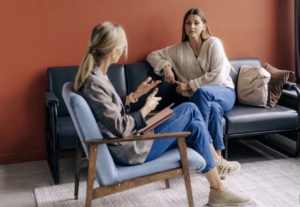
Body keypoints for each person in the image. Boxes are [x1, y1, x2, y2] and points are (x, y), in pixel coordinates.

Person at [74, 21, 251, 206]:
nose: (123, 50)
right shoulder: (94, 83)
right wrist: (146, 109)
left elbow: (109, 113)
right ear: (113, 52)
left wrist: (135, 96)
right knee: (190, 109)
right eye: (123, 47)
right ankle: (217, 160)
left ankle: (218, 191)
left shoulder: (97, 76)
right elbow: (119, 127)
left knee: (196, 126)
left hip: (134, 139)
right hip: (131, 148)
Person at [147, 8, 236, 163]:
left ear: (204, 26)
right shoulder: (178, 50)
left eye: (196, 22)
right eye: (188, 23)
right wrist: (166, 66)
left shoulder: (213, 43)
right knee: (214, 108)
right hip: (204, 99)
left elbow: (218, 76)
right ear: (184, 27)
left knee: (201, 93)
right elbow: (153, 55)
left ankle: (205, 149)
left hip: (225, 92)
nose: (192, 27)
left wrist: (189, 85)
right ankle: (218, 160)